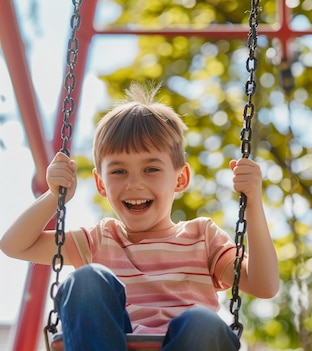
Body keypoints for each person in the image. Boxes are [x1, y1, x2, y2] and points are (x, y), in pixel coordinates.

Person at [0, 83, 279, 351]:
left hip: (189, 342)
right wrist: (53, 197)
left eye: (151, 169)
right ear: (101, 184)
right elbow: (14, 245)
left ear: (180, 178)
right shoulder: (99, 240)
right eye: (119, 171)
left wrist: (253, 202)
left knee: (204, 323)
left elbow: (264, 285)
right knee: (85, 280)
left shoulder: (202, 237)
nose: (134, 183)